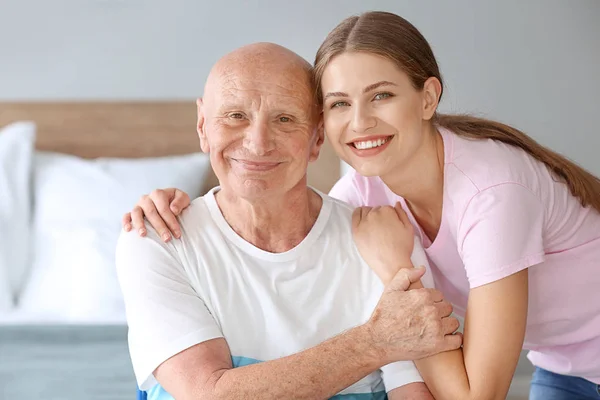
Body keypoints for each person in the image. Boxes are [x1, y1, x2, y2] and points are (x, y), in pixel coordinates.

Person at [125, 11, 600, 400]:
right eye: (338, 104)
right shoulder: (363, 195)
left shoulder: (491, 192)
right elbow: (297, 230)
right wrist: (171, 204)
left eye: (382, 96)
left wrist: (397, 266)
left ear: (428, 97)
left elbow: (476, 398)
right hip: (562, 365)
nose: (360, 122)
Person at [116, 42, 462, 400]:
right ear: (203, 125)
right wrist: (375, 341)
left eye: (284, 119)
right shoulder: (157, 239)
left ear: (317, 138)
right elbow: (206, 393)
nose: (258, 142)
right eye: (236, 116)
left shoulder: (380, 241)